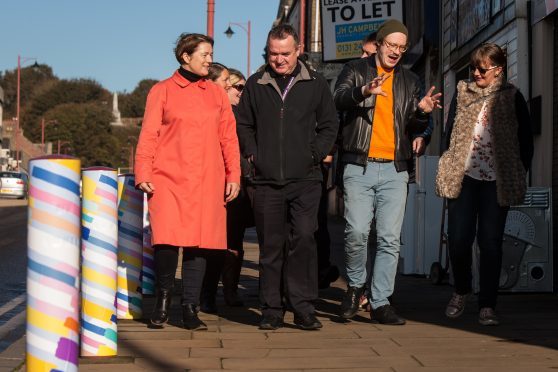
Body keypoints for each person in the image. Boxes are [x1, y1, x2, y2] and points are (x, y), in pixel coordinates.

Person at [334, 19, 441, 325]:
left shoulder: (409, 81)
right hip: (359, 165)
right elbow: (338, 99)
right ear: (379, 44)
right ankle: (355, 285)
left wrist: (422, 113)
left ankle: (380, 301)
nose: (395, 51)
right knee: (355, 232)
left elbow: (414, 128)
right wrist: (362, 91)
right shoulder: (355, 70)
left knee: (390, 239)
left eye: (401, 47)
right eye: (390, 45)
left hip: (395, 170)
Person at [135, 33, 240, 331]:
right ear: (186, 56)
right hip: (168, 177)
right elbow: (149, 134)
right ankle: (163, 301)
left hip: (209, 178)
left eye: (210, 54)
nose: (210, 60)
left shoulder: (217, 94)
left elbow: (228, 139)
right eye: (205, 54)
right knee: (166, 240)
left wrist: (234, 175)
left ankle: (190, 308)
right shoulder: (161, 91)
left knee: (201, 244)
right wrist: (143, 171)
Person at [236, 24, 339, 331]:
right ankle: (270, 308)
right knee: (270, 247)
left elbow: (330, 125)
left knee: (304, 240)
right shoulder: (256, 84)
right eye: (273, 54)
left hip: (306, 180)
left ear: (298, 51)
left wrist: (314, 153)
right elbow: (243, 125)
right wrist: (254, 154)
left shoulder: (316, 83)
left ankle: (303, 308)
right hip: (266, 181)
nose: (278, 60)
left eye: (284, 53)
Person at [436, 42, 533, 326]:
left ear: (498, 69)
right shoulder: (462, 93)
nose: (476, 73)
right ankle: (461, 290)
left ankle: (487, 304)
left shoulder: (512, 96)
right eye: (473, 68)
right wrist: (449, 162)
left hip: (496, 182)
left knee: (490, 243)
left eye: (482, 69)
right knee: (457, 240)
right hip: (464, 178)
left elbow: (526, 140)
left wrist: (518, 170)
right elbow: (449, 131)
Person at [201, 67, 252, 313]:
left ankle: (227, 290)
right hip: (220, 183)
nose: (243, 93)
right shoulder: (223, 113)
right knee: (222, 240)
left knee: (233, 239)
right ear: (226, 86)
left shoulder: (242, 114)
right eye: (239, 87)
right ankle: (215, 292)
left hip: (238, 184)